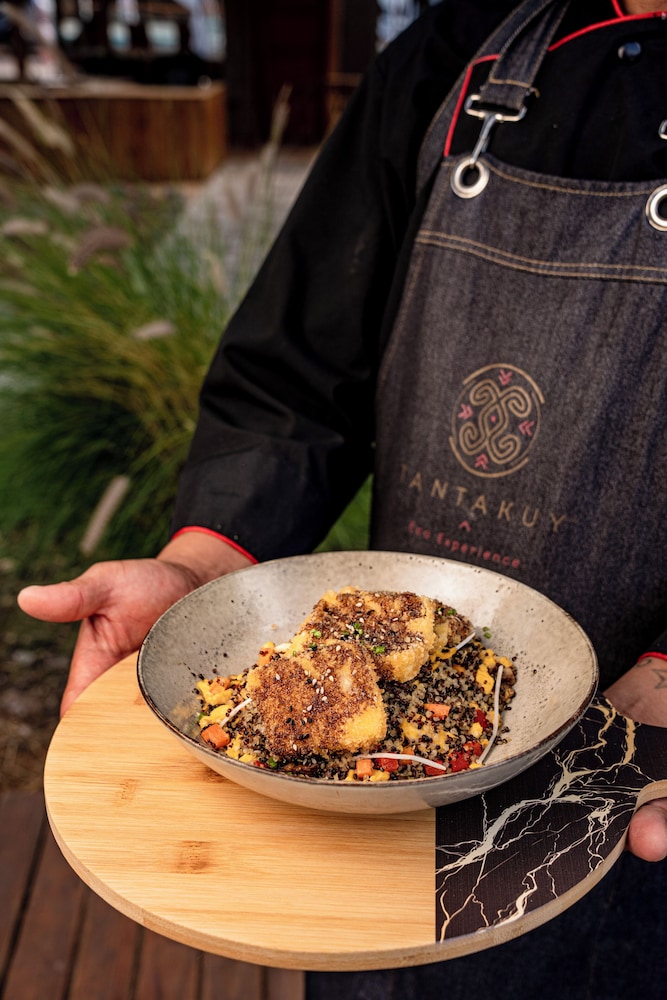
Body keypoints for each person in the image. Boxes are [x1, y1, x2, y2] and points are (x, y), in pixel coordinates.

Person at [18, 0, 667, 996]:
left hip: (635, 769)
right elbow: (292, 372)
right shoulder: (458, 54)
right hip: (372, 808)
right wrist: (203, 572)